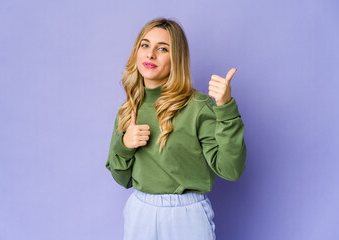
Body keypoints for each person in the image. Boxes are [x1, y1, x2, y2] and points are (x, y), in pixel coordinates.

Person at [105, 17, 247, 240]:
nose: (150, 54)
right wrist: (124, 145)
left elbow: (231, 170)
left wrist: (226, 109)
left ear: (176, 58)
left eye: (162, 49)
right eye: (145, 45)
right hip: (140, 212)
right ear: (137, 51)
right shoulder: (128, 109)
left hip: (186, 216)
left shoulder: (198, 107)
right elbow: (122, 179)